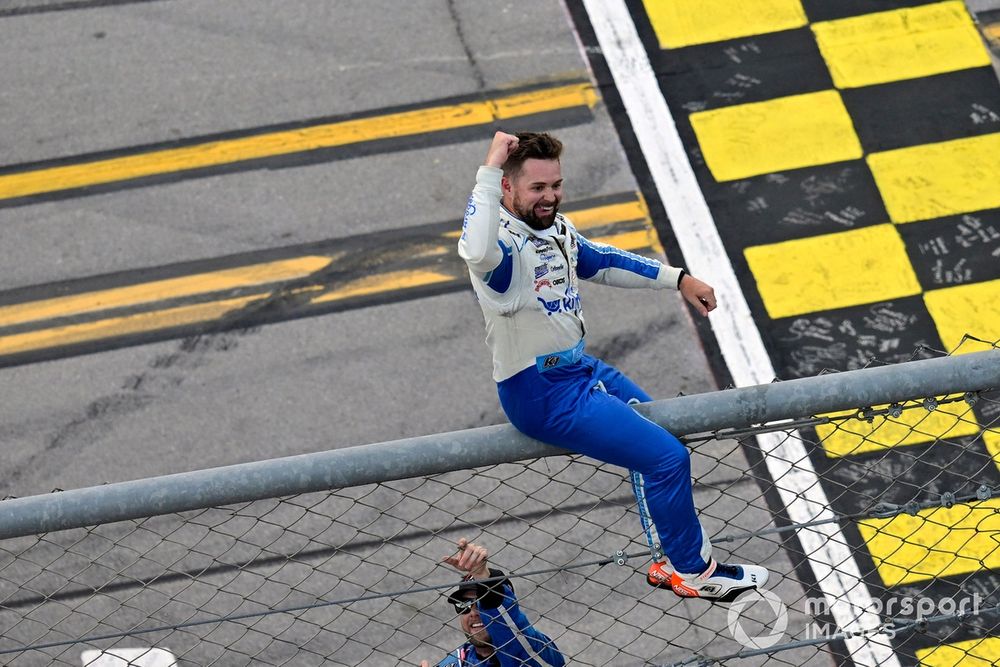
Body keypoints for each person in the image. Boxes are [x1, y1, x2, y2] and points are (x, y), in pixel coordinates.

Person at [457, 131, 769, 602]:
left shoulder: (556, 229)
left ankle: (668, 561)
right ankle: (695, 573)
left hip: (579, 371)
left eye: (556, 185)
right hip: (540, 394)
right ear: (507, 188)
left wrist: (677, 279)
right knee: (666, 459)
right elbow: (475, 251)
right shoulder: (498, 251)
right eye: (537, 188)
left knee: (658, 429)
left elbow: (600, 259)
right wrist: (488, 169)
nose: (550, 197)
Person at [436, 538, 565, 667]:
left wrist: (483, 577)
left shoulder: (538, 650)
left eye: (481, 602)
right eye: (464, 604)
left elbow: (510, 629)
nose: (473, 613)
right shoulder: (454, 662)